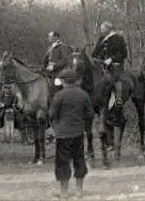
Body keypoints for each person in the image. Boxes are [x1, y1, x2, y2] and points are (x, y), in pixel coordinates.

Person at [49, 68, 94, 199]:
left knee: (63, 162)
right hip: (78, 133)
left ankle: (64, 192)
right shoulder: (84, 94)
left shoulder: (59, 95)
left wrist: (57, 126)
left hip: (63, 134)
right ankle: (79, 191)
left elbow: (51, 114)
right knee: (79, 160)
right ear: (75, 81)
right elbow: (90, 114)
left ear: (64, 81)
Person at [91, 21, 128, 107]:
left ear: (108, 28)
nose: (101, 30)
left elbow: (123, 53)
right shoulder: (101, 39)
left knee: (116, 78)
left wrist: (112, 59)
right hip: (101, 63)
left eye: (102, 29)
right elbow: (95, 52)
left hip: (115, 64)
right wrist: (94, 58)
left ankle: (118, 98)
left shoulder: (118, 38)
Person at [42, 31, 72, 97]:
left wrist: (54, 67)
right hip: (48, 72)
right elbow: (46, 60)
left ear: (56, 37)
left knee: (56, 89)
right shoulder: (50, 47)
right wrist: (44, 68)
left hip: (59, 72)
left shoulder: (63, 47)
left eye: (50, 37)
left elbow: (65, 60)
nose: (48, 38)